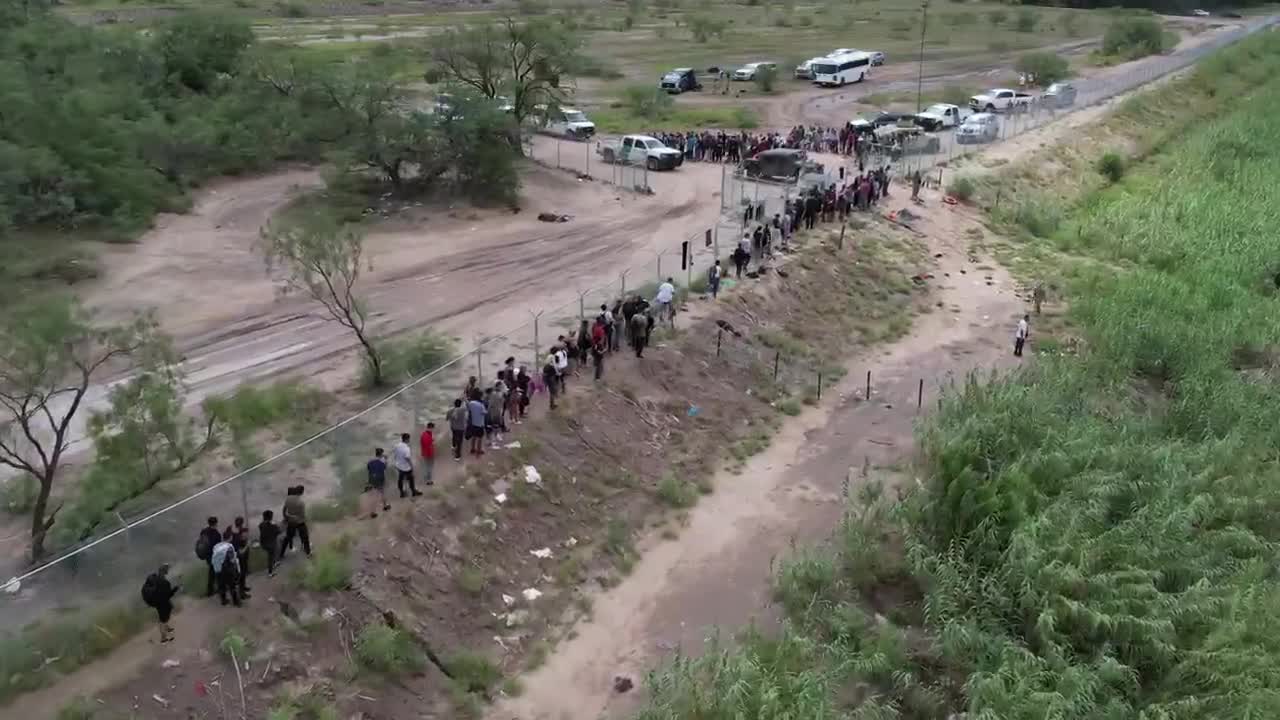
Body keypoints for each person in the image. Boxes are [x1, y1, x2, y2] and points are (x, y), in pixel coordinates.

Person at [141, 564, 179, 643]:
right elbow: (168, 595)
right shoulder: (164, 582)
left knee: (165, 613)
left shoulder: (157, 579)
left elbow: (165, 595)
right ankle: (163, 638)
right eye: (167, 569)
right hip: (161, 602)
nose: (168, 571)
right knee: (163, 619)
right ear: (164, 571)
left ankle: (167, 628)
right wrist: (176, 588)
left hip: (157, 601)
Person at [211, 531, 241, 607]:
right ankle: (236, 602)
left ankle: (223, 600)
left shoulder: (217, 546)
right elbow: (232, 560)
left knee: (221, 586)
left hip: (217, 569)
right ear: (230, 537)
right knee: (232, 586)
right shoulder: (229, 546)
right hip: (227, 569)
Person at [281, 485, 311, 559]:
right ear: (301, 492)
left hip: (291, 522)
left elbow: (284, 510)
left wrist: (286, 517)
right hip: (300, 522)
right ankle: (308, 553)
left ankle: (281, 554)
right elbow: (302, 515)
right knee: (305, 537)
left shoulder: (288, 499)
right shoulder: (301, 502)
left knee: (287, 538)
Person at [196, 516, 222, 597]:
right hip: (214, 557)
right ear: (216, 523)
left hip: (207, 556)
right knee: (217, 573)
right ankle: (218, 588)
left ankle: (210, 591)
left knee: (211, 573)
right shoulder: (216, 534)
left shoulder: (204, 531)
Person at [226, 516, 252, 598]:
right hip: (239, 557)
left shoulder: (230, 528)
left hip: (233, 556)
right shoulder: (237, 537)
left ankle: (243, 587)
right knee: (241, 574)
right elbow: (241, 552)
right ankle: (242, 593)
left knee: (240, 574)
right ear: (241, 525)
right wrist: (247, 545)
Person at [392, 433, 420, 498]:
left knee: (400, 480)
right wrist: (412, 466)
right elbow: (407, 458)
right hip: (406, 467)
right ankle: (413, 492)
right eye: (409, 439)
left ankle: (402, 493)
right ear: (407, 439)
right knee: (411, 479)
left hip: (398, 466)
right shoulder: (406, 448)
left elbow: (395, 454)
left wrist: (397, 461)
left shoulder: (397, 445)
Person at [366, 447, 391, 518]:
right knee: (379, 494)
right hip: (379, 479)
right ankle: (373, 512)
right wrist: (386, 459)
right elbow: (385, 468)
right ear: (381, 454)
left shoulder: (370, 462)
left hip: (372, 480)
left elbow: (368, 469)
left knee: (378, 493)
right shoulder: (381, 463)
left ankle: (385, 505)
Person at [259, 510, 281, 576]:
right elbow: (278, 532)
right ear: (271, 517)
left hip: (263, 543)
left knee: (272, 554)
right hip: (271, 544)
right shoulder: (273, 525)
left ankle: (274, 563)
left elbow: (261, 528)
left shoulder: (261, 524)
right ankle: (270, 573)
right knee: (271, 556)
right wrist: (276, 525)